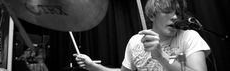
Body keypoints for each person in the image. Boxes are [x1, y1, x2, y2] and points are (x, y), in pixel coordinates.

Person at [74, 0, 210, 71]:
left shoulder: (189, 37)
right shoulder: (135, 42)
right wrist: (93, 67)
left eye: (178, 13)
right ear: (152, 15)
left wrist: (161, 56)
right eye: (168, 11)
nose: (175, 17)